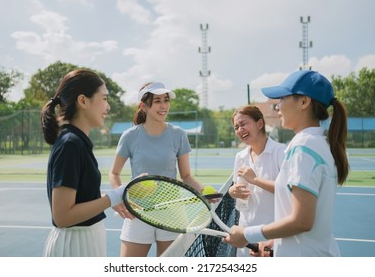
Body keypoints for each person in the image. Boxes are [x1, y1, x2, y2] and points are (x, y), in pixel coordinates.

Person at [223, 70, 349, 257]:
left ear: (304, 102)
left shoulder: (303, 146)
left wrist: (247, 234)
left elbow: (302, 221)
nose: (277, 106)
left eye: (282, 99)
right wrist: (273, 243)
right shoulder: (319, 142)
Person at [109, 82, 204, 257]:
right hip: (137, 212)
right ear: (143, 106)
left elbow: (187, 176)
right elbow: (114, 173)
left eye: (166, 100)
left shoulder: (178, 134)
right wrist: (118, 197)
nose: (164, 106)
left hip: (172, 211)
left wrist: (203, 191)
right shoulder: (130, 136)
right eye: (158, 101)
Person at [41, 69, 125, 257]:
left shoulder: (77, 142)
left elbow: (80, 199)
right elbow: (62, 216)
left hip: (84, 243)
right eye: (103, 98)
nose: (108, 106)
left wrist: (110, 198)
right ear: (83, 101)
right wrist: (114, 196)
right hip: (73, 247)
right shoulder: (71, 144)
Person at [229, 105, 285, 257]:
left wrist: (255, 180)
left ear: (259, 124)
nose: (239, 130)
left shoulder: (281, 152)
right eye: (236, 127)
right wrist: (233, 191)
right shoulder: (240, 157)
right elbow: (235, 187)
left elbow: (287, 190)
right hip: (245, 234)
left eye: (243, 124)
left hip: (272, 236)